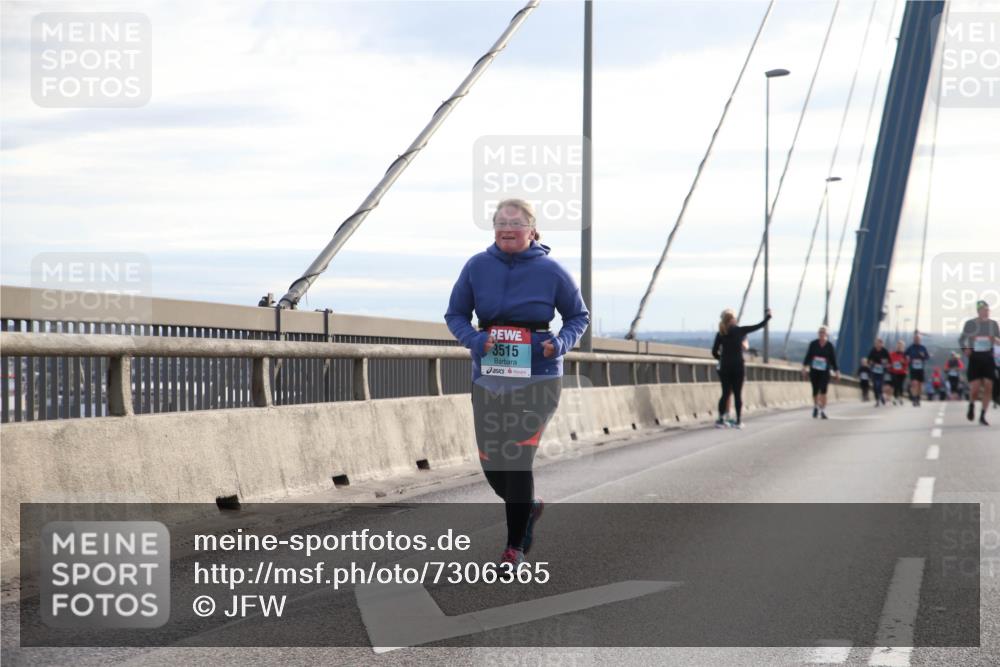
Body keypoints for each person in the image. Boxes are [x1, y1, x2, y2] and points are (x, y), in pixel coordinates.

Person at [445, 198, 589, 565]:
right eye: (501, 222)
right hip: (489, 375)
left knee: (518, 459)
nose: (508, 228)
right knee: (493, 466)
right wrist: (475, 340)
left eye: (516, 222)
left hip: (538, 377)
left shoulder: (552, 271)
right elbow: (456, 314)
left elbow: (577, 316)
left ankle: (514, 549)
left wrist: (559, 344)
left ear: (533, 230)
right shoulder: (477, 266)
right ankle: (528, 507)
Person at [711, 308, 772, 429]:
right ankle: (738, 421)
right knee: (737, 394)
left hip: (725, 367)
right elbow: (758, 326)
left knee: (725, 394)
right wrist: (768, 317)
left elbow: (714, 352)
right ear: (733, 320)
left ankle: (720, 419)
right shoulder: (740, 331)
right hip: (738, 366)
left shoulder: (720, 333)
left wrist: (721, 359)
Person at [958, 299, 999, 425]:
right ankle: (971, 405)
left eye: (987, 310)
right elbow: (961, 340)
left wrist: (995, 340)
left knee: (988, 386)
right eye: (983, 310)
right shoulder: (970, 324)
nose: (986, 312)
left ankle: (982, 415)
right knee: (975, 389)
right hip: (975, 359)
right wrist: (966, 350)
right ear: (978, 311)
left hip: (988, 358)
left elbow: (998, 339)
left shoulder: (993, 324)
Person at [801, 325, 840, 419]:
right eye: (820, 332)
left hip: (825, 371)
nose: (821, 334)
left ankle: (822, 410)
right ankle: (816, 406)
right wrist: (804, 368)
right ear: (818, 334)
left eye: (823, 332)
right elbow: (808, 357)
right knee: (815, 390)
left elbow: (833, 360)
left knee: (823, 391)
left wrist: (837, 371)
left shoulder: (830, 346)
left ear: (827, 334)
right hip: (814, 370)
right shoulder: (813, 344)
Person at [904, 331, 931, 407]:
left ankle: (918, 397)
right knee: (914, 383)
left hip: (921, 369)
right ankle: (914, 398)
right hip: (913, 368)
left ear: (920, 340)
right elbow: (904, 355)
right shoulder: (910, 347)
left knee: (920, 385)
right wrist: (907, 359)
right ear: (913, 339)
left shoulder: (923, 348)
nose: (917, 340)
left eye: (918, 339)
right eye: (915, 339)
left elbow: (927, 357)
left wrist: (923, 356)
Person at [867, 338, 890, 407]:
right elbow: (868, 360)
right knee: (875, 386)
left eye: (878, 343)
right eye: (876, 343)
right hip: (874, 370)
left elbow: (889, 361)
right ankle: (877, 400)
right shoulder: (873, 351)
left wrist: (885, 364)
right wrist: (871, 362)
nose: (877, 345)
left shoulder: (885, 351)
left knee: (879, 386)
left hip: (882, 371)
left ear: (881, 344)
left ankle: (881, 398)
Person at [888, 340, 908, 406]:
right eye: (898, 345)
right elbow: (889, 362)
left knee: (900, 385)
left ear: (903, 347)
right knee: (895, 384)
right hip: (894, 372)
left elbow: (908, 363)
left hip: (902, 372)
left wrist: (903, 362)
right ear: (896, 346)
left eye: (901, 346)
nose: (899, 347)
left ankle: (900, 397)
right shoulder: (892, 354)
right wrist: (889, 365)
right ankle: (895, 398)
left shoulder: (905, 355)